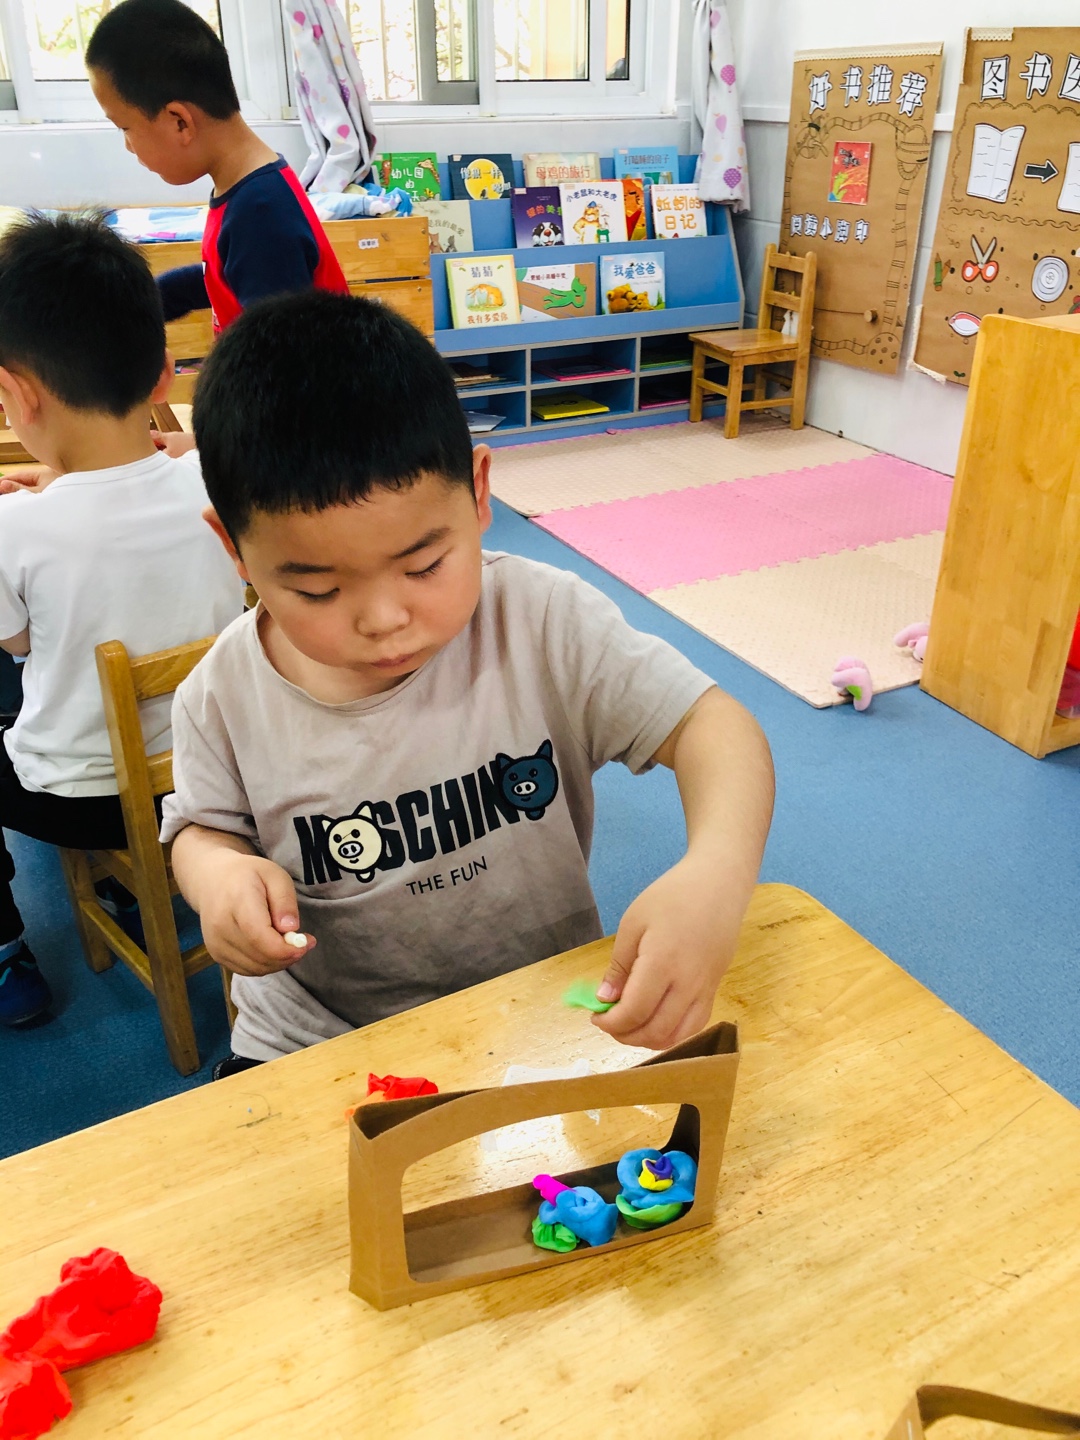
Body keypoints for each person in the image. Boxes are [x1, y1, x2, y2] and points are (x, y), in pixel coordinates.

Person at [163, 292, 774, 1077]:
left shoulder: (539, 618)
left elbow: (714, 727)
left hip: (538, 1009)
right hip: (320, 1037)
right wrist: (218, 875)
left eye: (424, 566)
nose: (385, 620)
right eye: (318, 589)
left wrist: (716, 873)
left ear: (479, 493)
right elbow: (200, 829)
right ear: (235, 549)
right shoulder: (220, 696)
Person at [0, 213, 244, 1026]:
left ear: (17, 394)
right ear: (163, 376)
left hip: (83, 798)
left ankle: (7, 952)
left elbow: (19, 644)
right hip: (219, 769)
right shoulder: (215, 481)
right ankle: (133, 889)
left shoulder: (14, 529)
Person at [85, 0, 348, 336]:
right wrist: (147, 302)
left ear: (179, 121)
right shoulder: (248, 187)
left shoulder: (260, 211)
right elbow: (227, 276)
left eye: (125, 128)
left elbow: (283, 356)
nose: (128, 145)